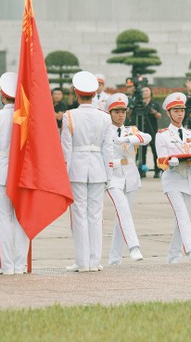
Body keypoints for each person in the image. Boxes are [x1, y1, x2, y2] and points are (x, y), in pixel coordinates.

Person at [61, 71, 112, 273]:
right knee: (95, 215)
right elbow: (108, 149)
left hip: (77, 168)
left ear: (76, 93)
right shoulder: (104, 117)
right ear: (93, 94)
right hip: (98, 167)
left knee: (79, 215)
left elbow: (66, 148)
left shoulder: (69, 116)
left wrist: (63, 174)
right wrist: (108, 174)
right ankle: (94, 260)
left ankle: (82, 262)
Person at [0, 72, 29, 275]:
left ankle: (6, 265)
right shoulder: (26, 117)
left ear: (2, 96)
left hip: (1, 171)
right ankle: (20, 265)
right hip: (23, 172)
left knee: (4, 218)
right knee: (21, 219)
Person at [155, 92, 191, 264]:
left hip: (189, 179)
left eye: (182, 110)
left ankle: (173, 256)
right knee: (182, 216)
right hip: (173, 179)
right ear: (168, 113)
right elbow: (162, 160)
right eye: (175, 110)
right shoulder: (162, 134)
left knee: (182, 220)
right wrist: (174, 160)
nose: (180, 114)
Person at [104, 93, 148, 265]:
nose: (121, 115)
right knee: (123, 210)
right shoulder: (105, 131)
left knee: (121, 217)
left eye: (123, 111)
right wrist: (112, 163)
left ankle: (114, 259)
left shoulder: (131, 130)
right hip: (113, 177)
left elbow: (147, 138)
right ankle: (134, 247)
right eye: (117, 112)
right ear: (110, 113)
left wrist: (127, 138)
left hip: (130, 177)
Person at [140, 86, 162, 178]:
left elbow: (159, 115)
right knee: (142, 152)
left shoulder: (154, 104)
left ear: (150, 92)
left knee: (155, 151)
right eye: (143, 91)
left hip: (152, 130)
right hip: (142, 131)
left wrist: (154, 112)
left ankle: (157, 170)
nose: (145, 92)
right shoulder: (139, 104)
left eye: (147, 91)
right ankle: (142, 170)